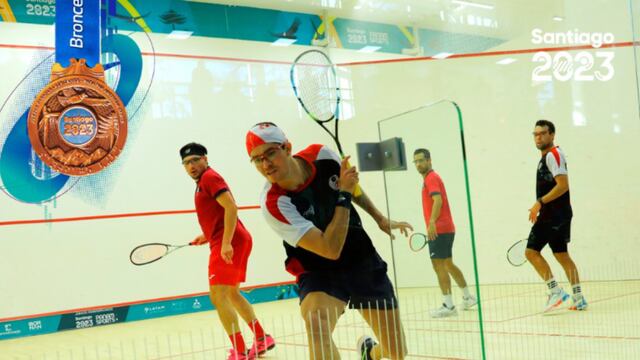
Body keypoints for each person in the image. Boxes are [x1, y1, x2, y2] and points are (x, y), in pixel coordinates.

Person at [245, 122, 413, 360]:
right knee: (316, 322)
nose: (265, 164)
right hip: (319, 271)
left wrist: (379, 218)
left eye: (270, 152)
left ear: (287, 147)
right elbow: (330, 249)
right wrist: (343, 193)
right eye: (257, 159)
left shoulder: (322, 155)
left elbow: (351, 187)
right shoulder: (274, 203)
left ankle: (370, 353)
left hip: (362, 260)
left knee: (397, 352)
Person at [179, 142, 275, 360]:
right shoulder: (202, 182)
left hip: (230, 241)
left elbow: (231, 207)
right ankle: (262, 338)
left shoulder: (210, 178)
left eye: (195, 160)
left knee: (218, 296)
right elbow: (219, 213)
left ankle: (240, 351)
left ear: (205, 158)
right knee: (231, 293)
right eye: (186, 163)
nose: (191, 166)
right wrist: (208, 235)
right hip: (230, 238)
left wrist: (225, 243)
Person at [526, 120, 587, 313]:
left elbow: (563, 185)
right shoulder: (548, 157)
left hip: (553, 215)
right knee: (562, 255)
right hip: (558, 214)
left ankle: (555, 292)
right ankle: (578, 298)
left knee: (531, 252)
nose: (538, 137)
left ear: (552, 135)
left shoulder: (553, 155)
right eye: (535, 134)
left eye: (542, 133)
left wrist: (539, 203)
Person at [412, 149, 477, 318]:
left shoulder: (431, 178)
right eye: (416, 161)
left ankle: (448, 306)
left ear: (429, 161)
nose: (418, 164)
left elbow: (438, 200)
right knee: (448, 264)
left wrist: (432, 222)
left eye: (421, 160)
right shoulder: (431, 178)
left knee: (438, 265)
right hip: (447, 228)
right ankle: (467, 297)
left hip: (439, 228)